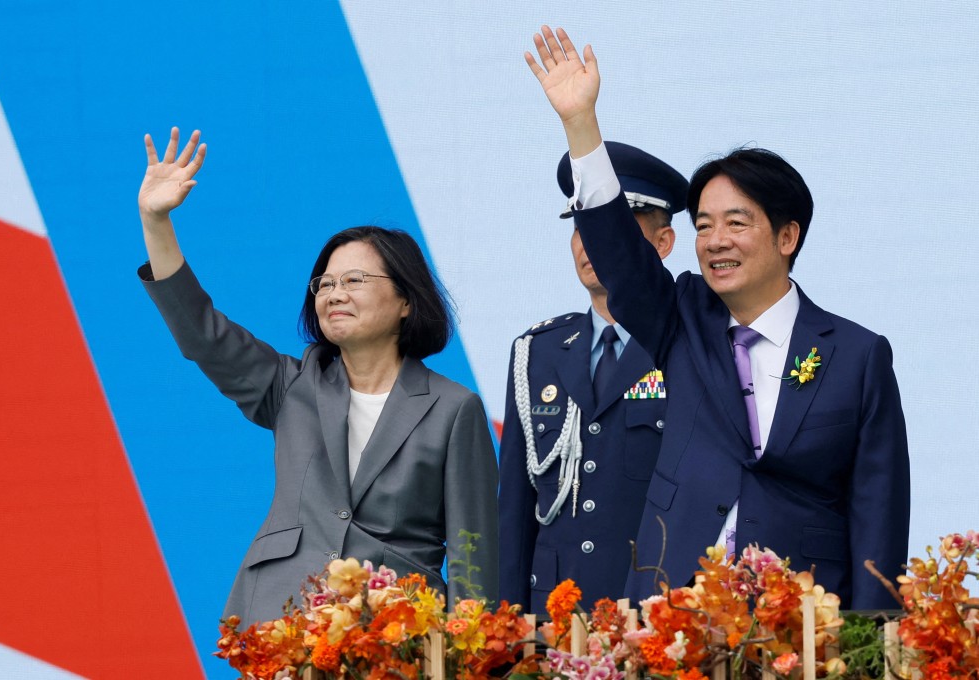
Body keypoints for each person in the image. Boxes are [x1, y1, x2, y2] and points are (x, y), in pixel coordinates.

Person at [524, 27, 910, 610]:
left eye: (736, 222)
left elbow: (877, 505)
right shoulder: (683, 316)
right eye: (703, 226)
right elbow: (620, 257)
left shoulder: (856, 354)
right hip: (669, 610)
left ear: (787, 236)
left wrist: (870, 637)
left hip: (801, 619)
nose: (715, 241)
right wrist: (581, 128)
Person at [136, 128, 498, 627]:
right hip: (284, 618)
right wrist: (156, 222)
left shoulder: (454, 408)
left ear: (407, 301)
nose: (334, 293)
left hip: (396, 632)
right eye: (324, 283)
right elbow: (203, 334)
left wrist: (466, 649)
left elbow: (471, 550)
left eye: (354, 281)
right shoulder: (292, 386)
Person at [498, 142, 686, 613]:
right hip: (552, 619)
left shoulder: (687, 344)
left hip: (653, 614)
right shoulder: (536, 352)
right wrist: (507, 625)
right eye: (581, 227)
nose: (590, 242)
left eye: (611, 228)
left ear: (662, 243)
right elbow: (516, 513)